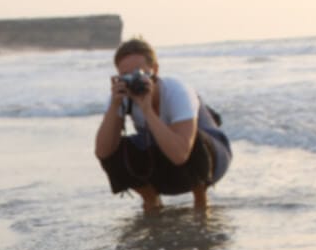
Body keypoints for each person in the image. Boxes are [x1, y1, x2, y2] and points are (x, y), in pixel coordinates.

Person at [94, 38, 231, 213]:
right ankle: (151, 200)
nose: (133, 80)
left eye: (138, 73)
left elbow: (180, 154)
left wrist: (147, 110)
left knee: (189, 137)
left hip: (214, 158)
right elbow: (103, 151)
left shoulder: (177, 91)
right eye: (126, 75)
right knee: (115, 149)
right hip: (167, 161)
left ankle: (201, 201)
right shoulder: (122, 96)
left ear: (155, 70)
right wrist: (114, 107)